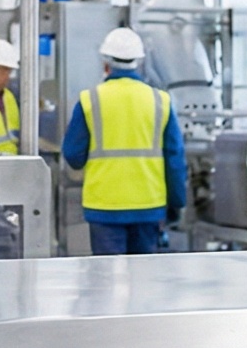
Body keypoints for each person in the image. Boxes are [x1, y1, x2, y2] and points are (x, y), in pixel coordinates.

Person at [61, 26, 186, 255]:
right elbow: (174, 158)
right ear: (138, 62)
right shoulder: (160, 101)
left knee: (108, 282)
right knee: (145, 281)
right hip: (148, 207)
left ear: (105, 63)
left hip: (104, 207)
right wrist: (177, 202)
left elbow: (73, 155)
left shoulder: (90, 100)